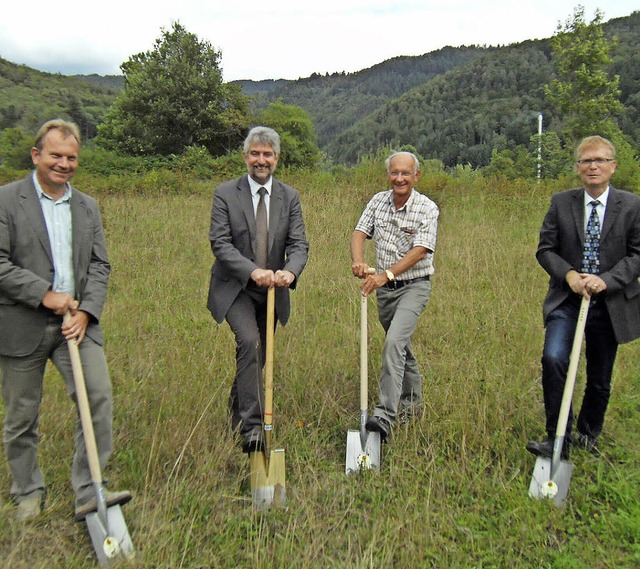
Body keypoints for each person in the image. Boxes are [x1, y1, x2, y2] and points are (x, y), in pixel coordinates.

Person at [0, 119, 131, 522]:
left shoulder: (86, 206)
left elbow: (100, 265)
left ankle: (89, 489)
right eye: (55, 155)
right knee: (22, 415)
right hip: (21, 326)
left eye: (71, 157)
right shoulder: (6, 201)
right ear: (36, 155)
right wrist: (44, 294)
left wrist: (88, 311)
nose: (64, 164)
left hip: (77, 326)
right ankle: (27, 490)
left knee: (98, 400)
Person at [527, 135, 640, 459]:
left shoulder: (632, 206)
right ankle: (557, 436)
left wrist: (607, 280)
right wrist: (570, 276)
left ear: (613, 166)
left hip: (611, 303)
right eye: (586, 160)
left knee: (600, 376)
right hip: (568, 300)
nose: (593, 166)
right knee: (554, 359)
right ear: (578, 168)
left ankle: (588, 434)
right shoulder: (561, 202)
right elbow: (545, 250)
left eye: (601, 160)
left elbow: (637, 255)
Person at [207, 126, 309, 454]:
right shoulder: (225, 193)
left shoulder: (289, 197)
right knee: (249, 342)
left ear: (277, 159)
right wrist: (253, 271)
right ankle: (251, 430)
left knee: (258, 356)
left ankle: (236, 410)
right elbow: (220, 243)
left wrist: (289, 272)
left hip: (272, 292)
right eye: (255, 154)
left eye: (267, 154)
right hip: (236, 287)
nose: (260, 160)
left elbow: (299, 244)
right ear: (245, 156)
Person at [350, 151, 439, 442]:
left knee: (393, 343)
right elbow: (360, 233)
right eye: (394, 173)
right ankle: (412, 406)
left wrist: (386, 274)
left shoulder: (427, 208)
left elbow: (421, 250)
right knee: (401, 349)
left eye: (406, 173)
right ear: (388, 175)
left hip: (414, 286)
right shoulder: (378, 201)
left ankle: (385, 415)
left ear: (416, 176)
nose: (399, 178)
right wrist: (359, 262)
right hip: (384, 292)